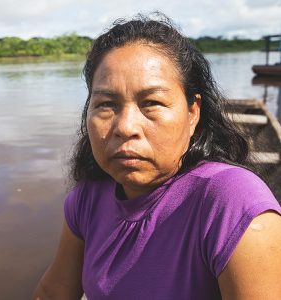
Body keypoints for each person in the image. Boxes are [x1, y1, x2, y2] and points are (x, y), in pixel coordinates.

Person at [32, 13, 281, 300]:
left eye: (151, 102)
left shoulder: (231, 203)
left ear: (192, 113)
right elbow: (53, 292)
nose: (125, 127)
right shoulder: (88, 198)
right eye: (106, 104)